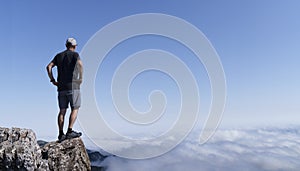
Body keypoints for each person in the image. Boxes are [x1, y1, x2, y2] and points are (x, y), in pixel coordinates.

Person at [46, 38, 83, 142]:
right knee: (75, 108)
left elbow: (48, 67)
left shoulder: (59, 56)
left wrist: (52, 80)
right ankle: (70, 131)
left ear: (66, 45)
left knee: (62, 110)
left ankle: (61, 134)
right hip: (73, 86)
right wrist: (80, 78)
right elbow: (80, 65)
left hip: (61, 87)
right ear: (75, 46)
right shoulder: (75, 55)